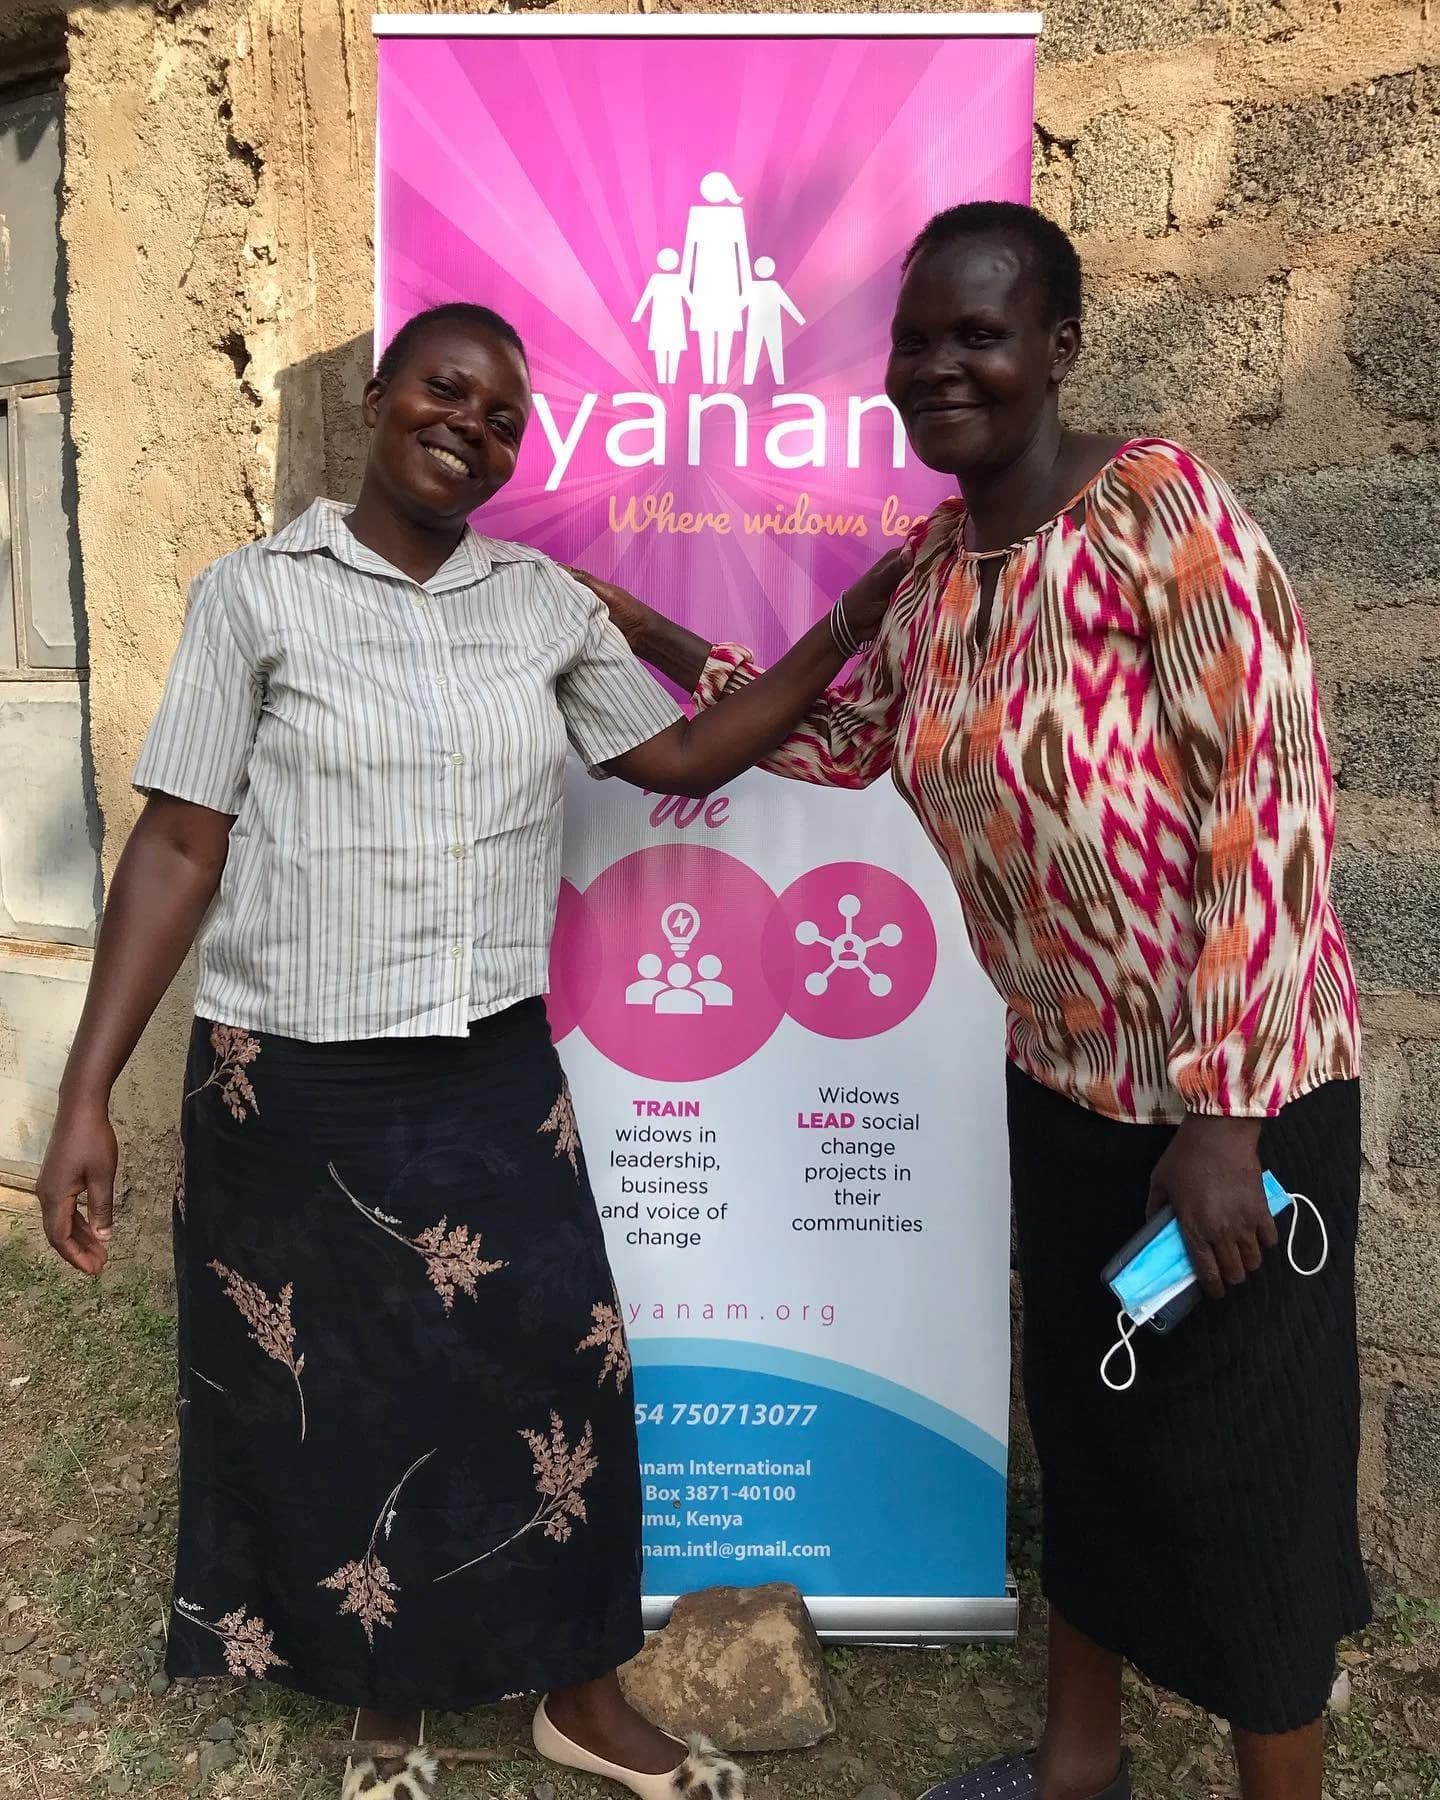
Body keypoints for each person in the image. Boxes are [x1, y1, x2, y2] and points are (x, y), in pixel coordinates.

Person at [35, 300, 903, 1800]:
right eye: (449, 392)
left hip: (487, 1067)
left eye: (505, 417)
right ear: (381, 397)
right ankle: (390, 1694)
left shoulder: (543, 607)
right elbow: (180, 838)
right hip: (289, 1076)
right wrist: (84, 1087)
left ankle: (579, 1694)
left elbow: (682, 754)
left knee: (557, 1364)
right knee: (349, 1392)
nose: (475, 428)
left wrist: (849, 619)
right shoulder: (256, 595)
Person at [576, 202, 1368, 1800]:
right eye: (916, 341)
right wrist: (637, 628)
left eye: (979, 335)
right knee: (1093, 1437)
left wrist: (1224, 1116)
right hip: (1065, 1082)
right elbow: (825, 741)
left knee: (1247, 1487)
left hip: (1231, 1105)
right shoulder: (935, 573)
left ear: (1058, 349)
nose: (940, 366)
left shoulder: (1164, 511)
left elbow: (1268, 797)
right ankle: (1081, 1762)